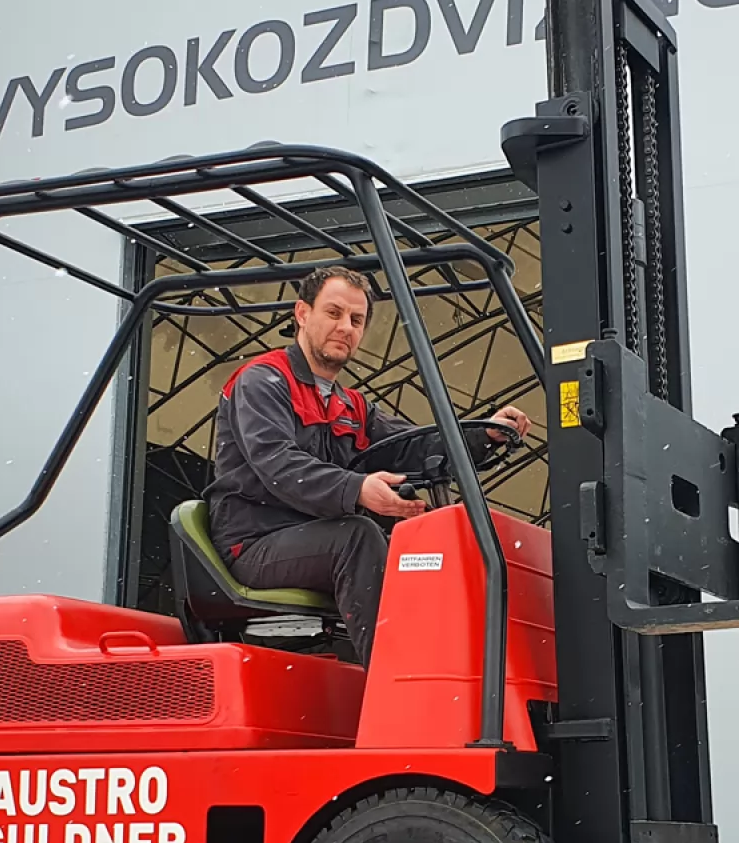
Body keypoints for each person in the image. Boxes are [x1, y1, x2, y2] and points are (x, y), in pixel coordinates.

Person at [206, 266, 530, 666]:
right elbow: (279, 465)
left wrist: (484, 434)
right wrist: (357, 489)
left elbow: (411, 445)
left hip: (314, 537)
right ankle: (397, 680)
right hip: (256, 540)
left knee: (421, 547)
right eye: (334, 313)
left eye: (356, 320)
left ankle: (453, 667)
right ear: (302, 313)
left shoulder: (351, 406)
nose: (345, 327)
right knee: (357, 537)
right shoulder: (263, 382)